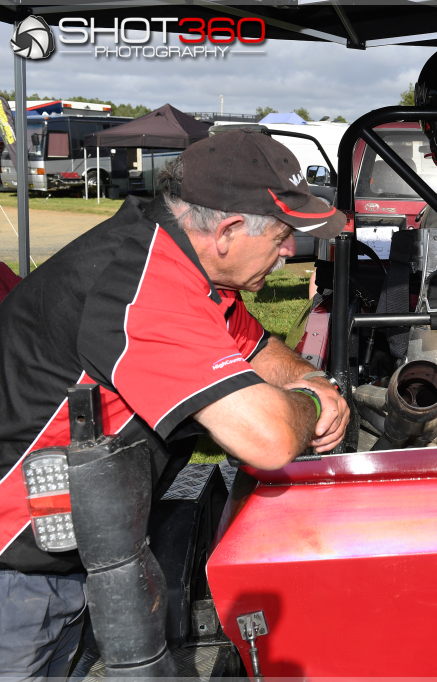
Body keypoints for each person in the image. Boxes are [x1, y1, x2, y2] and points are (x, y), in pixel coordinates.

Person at [0, 129, 350, 679]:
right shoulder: (146, 287)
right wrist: (311, 401)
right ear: (228, 231)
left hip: (68, 552)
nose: (289, 252)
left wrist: (309, 378)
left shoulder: (180, 259)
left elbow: (258, 348)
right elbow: (269, 439)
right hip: (17, 570)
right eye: (283, 236)